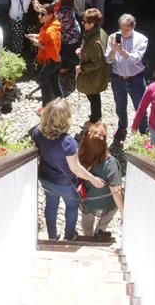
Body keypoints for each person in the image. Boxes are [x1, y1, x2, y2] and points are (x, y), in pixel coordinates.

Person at [29, 98, 106, 241]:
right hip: (66, 184)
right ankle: (69, 237)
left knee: (51, 206)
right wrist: (93, 179)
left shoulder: (37, 133)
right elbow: (75, 168)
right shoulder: (68, 143)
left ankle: (52, 236)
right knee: (71, 207)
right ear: (65, 120)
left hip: (46, 179)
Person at [105, 13, 149, 144]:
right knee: (120, 106)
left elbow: (136, 59)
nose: (123, 32)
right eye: (121, 29)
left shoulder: (141, 39)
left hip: (135, 79)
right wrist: (113, 50)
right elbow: (108, 59)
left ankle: (143, 131)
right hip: (118, 79)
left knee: (140, 107)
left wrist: (120, 50)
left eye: (127, 29)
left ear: (133, 27)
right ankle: (122, 127)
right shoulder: (113, 37)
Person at [78, 122, 123, 240]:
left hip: (87, 201)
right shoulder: (110, 163)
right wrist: (124, 211)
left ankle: (88, 236)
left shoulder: (79, 159)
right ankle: (101, 230)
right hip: (106, 202)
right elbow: (116, 191)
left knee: (86, 218)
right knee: (116, 205)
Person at [76, 9, 110, 125]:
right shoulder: (99, 31)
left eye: (84, 21)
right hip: (96, 74)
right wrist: (83, 51)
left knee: (93, 95)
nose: (82, 23)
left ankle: (95, 120)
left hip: (94, 75)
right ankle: (96, 117)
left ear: (92, 23)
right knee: (94, 95)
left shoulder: (95, 42)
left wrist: (82, 68)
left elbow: (97, 62)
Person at [26, 4, 63, 105]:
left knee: (44, 79)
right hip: (57, 60)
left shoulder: (50, 30)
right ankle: (61, 103)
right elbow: (46, 39)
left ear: (51, 15)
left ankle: (46, 106)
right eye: (39, 13)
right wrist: (36, 36)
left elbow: (53, 50)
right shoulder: (52, 24)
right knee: (54, 81)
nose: (40, 16)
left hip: (51, 60)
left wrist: (39, 44)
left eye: (43, 14)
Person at [53, 0, 81, 76]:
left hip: (69, 36)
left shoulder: (63, 11)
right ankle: (67, 66)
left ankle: (77, 66)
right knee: (70, 51)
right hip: (74, 32)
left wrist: (40, 9)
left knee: (67, 53)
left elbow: (51, 17)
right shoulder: (68, 3)